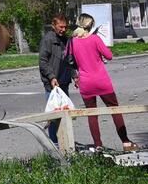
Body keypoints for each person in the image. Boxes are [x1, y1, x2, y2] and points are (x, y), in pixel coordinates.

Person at [69, 13, 137, 150]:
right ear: (90, 25)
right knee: (115, 109)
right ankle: (126, 142)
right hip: (101, 80)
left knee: (92, 114)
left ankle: (98, 145)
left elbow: (71, 61)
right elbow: (109, 56)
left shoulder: (73, 42)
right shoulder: (95, 39)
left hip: (85, 82)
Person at [38, 13, 73, 143]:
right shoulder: (48, 40)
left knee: (65, 113)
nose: (63, 30)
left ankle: (65, 142)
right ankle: (54, 143)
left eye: (65, 27)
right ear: (54, 26)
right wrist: (51, 77)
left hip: (63, 82)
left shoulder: (66, 39)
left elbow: (69, 60)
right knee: (54, 115)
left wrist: (75, 76)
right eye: (61, 27)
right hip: (52, 84)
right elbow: (43, 61)